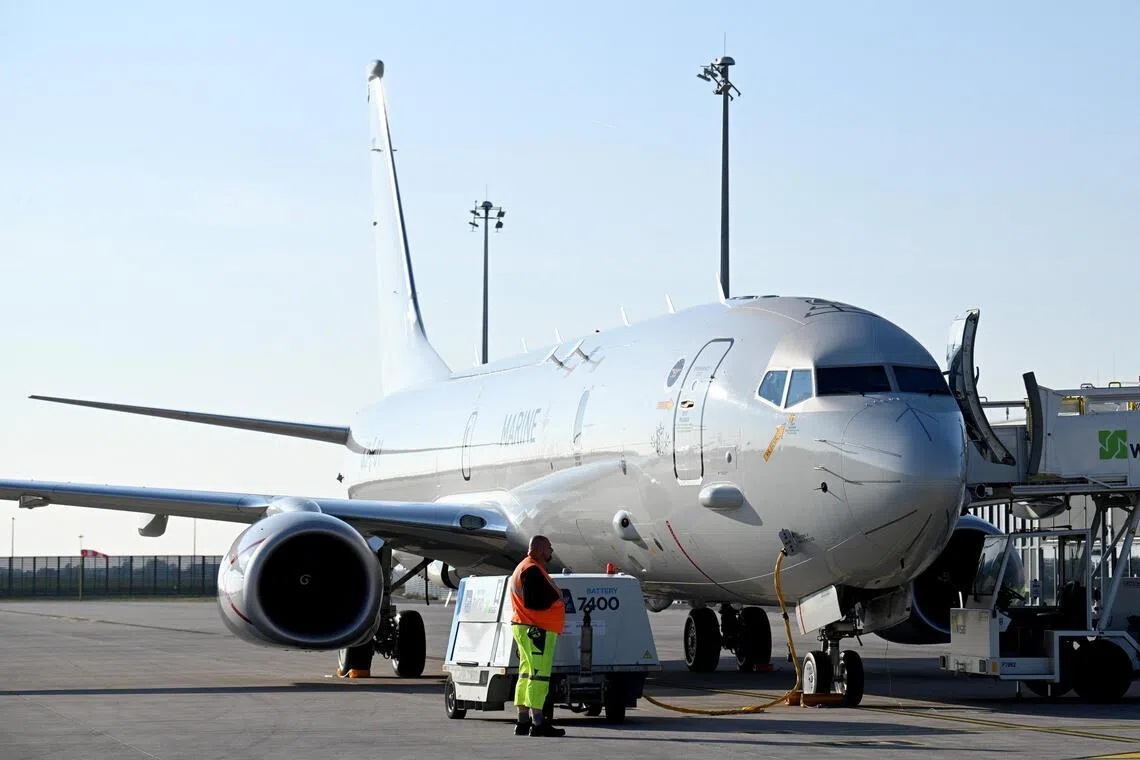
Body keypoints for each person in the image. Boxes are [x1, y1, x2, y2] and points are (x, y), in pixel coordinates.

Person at [509, 535, 567, 737]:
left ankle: (522, 721)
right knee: (539, 675)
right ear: (541, 550)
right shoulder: (532, 569)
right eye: (549, 548)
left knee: (526, 673)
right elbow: (534, 601)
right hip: (537, 630)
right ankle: (538, 722)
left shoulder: (526, 567)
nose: (551, 552)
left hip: (526, 627)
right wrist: (557, 600)